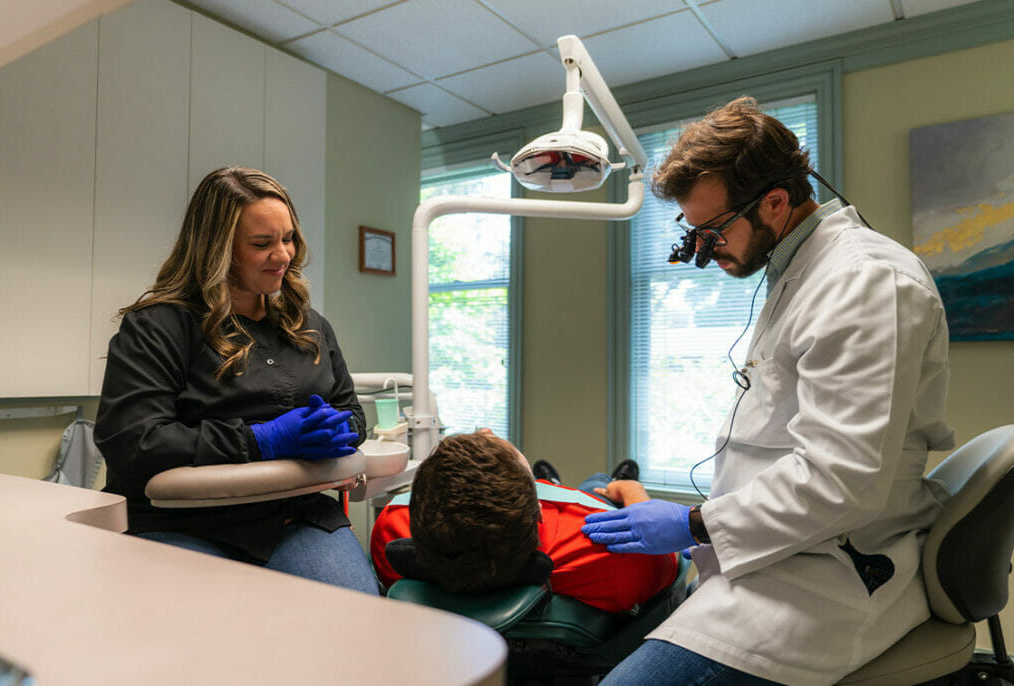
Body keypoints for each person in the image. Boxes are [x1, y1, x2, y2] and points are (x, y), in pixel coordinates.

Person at [582, 96, 954, 685]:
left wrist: (693, 525)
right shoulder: (802, 271)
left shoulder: (865, 283)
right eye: (693, 228)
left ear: (775, 203)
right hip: (776, 556)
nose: (703, 247)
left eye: (713, 228)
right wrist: (696, 530)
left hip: (829, 576)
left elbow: (841, 481)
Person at [94, 166, 378, 594]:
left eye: (288, 239)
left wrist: (344, 430)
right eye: (262, 244)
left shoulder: (310, 327)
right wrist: (261, 440)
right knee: (211, 637)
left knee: (352, 617)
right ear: (216, 249)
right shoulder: (158, 328)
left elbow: (351, 411)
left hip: (293, 515)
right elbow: (134, 444)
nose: (283, 255)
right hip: (181, 521)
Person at [370, 430, 678, 614]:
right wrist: (634, 493)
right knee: (600, 483)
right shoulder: (608, 549)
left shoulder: (390, 528)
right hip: (588, 505)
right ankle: (599, 480)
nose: (487, 433)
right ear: (541, 510)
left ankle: (549, 477)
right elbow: (667, 551)